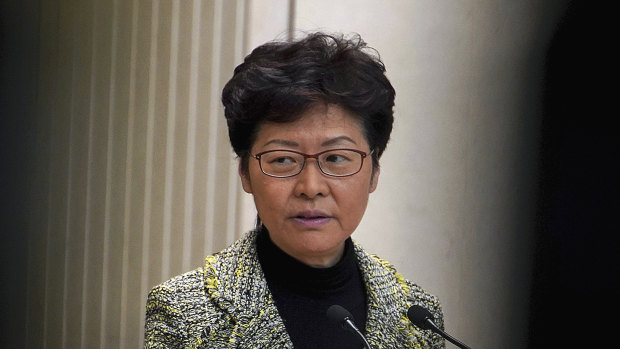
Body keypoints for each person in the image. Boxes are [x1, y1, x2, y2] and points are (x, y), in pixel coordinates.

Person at [144, 32, 445, 349]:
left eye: (337, 158)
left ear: (374, 173)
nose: (311, 188)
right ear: (245, 172)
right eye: (283, 159)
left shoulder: (419, 317)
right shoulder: (183, 309)